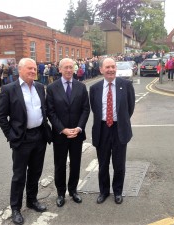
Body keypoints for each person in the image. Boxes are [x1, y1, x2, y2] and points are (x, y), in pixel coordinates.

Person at [0, 58, 51, 225]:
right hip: (22, 139)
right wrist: (11, 136)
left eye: (34, 69)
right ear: (20, 70)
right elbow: (1, 116)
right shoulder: (8, 89)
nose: (33, 71)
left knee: (35, 172)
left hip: (39, 137)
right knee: (19, 176)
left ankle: (32, 200)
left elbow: (44, 110)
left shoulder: (40, 87)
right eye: (30, 69)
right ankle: (15, 208)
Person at [89, 57, 135, 205]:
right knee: (103, 164)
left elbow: (130, 108)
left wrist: (121, 120)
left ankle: (118, 192)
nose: (111, 70)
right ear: (101, 70)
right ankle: (103, 191)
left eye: (113, 67)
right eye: (107, 67)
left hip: (119, 128)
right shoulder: (94, 88)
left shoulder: (126, 85)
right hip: (102, 129)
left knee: (119, 164)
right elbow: (95, 109)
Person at [46, 57, 90, 207]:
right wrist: (63, 129)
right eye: (66, 67)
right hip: (60, 135)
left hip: (77, 133)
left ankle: (73, 190)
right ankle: (60, 193)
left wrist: (78, 128)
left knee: (76, 163)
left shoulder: (81, 86)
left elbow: (85, 109)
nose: (69, 70)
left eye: (71, 67)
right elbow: (50, 112)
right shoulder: (52, 88)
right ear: (60, 69)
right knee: (59, 164)